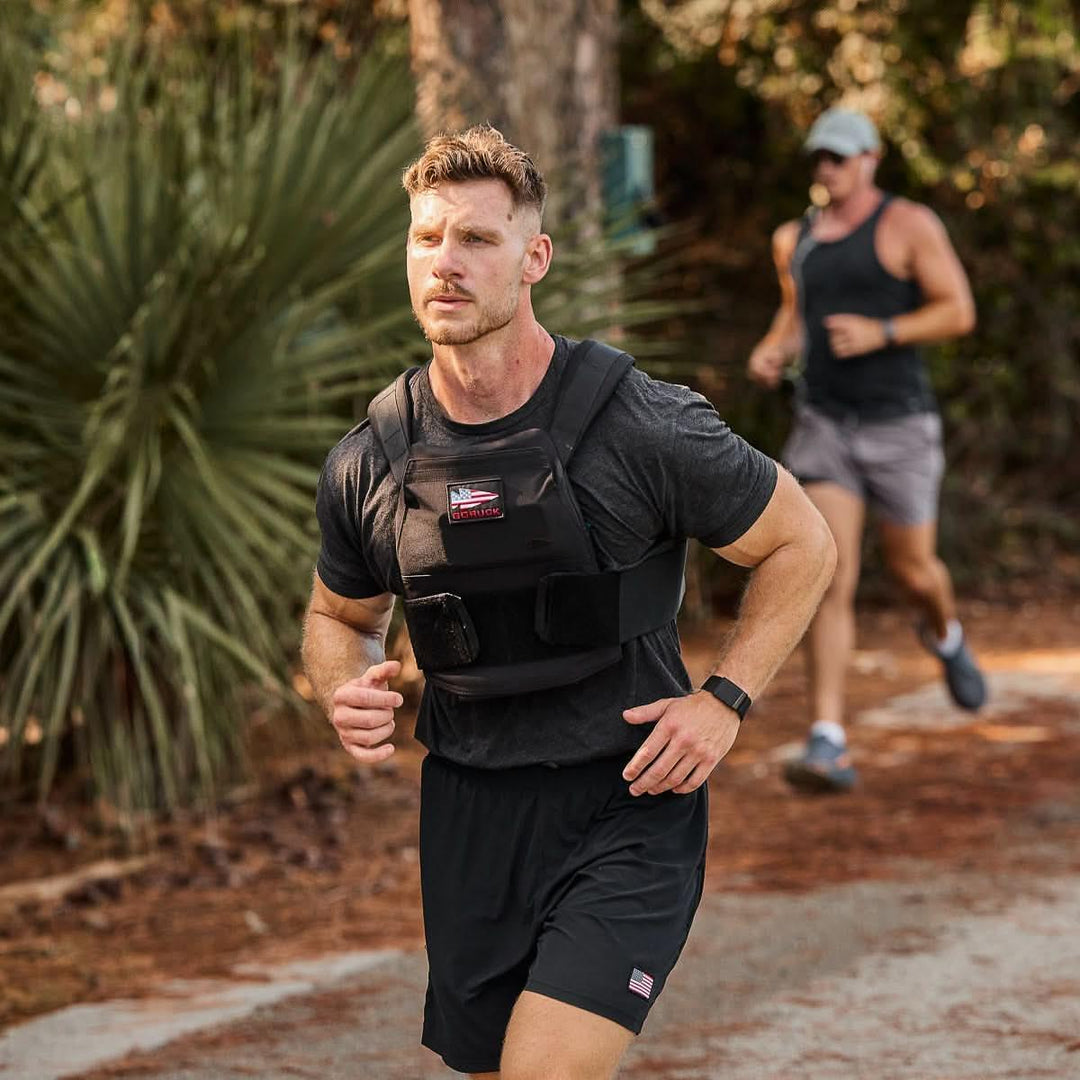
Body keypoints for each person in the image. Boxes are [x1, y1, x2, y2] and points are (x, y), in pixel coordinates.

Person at [302, 124, 835, 1080]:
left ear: (535, 257)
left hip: (628, 798)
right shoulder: (373, 457)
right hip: (470, 810)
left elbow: (803, 542)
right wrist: (343, 685)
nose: (446, 262)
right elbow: (339, 617)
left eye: (477, 238)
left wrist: (724, 700)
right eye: (427, 238)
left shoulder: (638, 422)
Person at [748, 107, 988, 795]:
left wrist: (883, 331)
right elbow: (795, 314)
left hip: (899, 426)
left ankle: (944, 634)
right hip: (825, 425)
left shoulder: (908, 225)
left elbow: (958, 310)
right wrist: (773, 349)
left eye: (840, 157)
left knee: (915, 571)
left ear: (871, 160)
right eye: (820, 158)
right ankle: (827, 739)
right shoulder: (795, 238)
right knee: (829, 571)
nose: (828, 169)